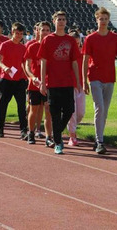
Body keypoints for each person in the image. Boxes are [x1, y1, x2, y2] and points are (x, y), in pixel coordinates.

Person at [82, 7, 117, 154]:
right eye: (101, 19)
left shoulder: (114, 38)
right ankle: (100, 141)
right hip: (94, 77)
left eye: (105, 19)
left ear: (108, 20)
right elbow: (85, 59)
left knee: (104, 111)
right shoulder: (90, 38)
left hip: (109, 78)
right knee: (99, 107)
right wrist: (83, 80)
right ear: (96, 19)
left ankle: (98, 138)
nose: (103, 21)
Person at [38, 11, 81, 155]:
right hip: (53, 83)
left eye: (63, 19)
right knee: (55, 113)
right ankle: (58, 142)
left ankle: (57, 133)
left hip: (67, 82)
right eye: (58, 19)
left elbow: (74, 62)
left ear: (66, 22)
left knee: (69, 110)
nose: (61, 21)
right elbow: (43, 62)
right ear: (54, 21)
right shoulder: (48, 40)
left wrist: (78, 81)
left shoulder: (70, 41)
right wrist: (43, 83)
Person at [24, 21, 53, 146]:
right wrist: (32, 77)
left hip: (49, 84)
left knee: (48, 110)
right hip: (35, 84)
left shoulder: (52, 47)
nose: (45, 32)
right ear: (38, 31)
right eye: (43, 30)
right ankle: (31, 132)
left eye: (47, 30)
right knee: (34, 109)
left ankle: (48, 136)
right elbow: (27, 66)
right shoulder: (32, 47)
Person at [67, 30, 85, 147]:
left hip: (81, 86)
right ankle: (72, 135)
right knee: (72, 112)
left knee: (81, 113)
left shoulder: (83, 54)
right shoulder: (66, 55)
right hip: (69, 85)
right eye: (75, 43)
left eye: (78, 43)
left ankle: (69, 126)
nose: (77, 45)